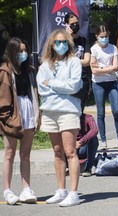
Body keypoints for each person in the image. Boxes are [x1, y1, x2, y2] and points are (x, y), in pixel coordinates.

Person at [36, 28, 83, 207]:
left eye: (64, 42)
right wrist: (59, 87)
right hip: (49, 111)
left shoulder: (74, 62)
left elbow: (73, 86)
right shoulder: (46, 63)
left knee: (70, 151)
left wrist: (53, 84)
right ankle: (61, 190)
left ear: (69, 43)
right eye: (57, 42)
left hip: (68, 110)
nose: (61, 45)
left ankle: (73, 193)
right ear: (51, 44)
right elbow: (42, 87)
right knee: (57, 151)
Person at [1, 35, 40, 205]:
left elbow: (35, 94)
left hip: (28, 111)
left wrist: (38, 115)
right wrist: (6, 119)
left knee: (25, 154)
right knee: (9, 153)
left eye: (25, 51)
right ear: (12, 52)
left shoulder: (30, 70)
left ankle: (26, 188)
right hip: (12, 114)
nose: (23, 54)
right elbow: (3, 99)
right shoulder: (5, 71)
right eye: (19, 51)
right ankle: (7, 190)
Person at [90, 25, 118, 151]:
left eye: (106, 37)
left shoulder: (113, 48)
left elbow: (116, 67)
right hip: (98, 83)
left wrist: (102, 69)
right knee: (100, 113)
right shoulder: (94, 49)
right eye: (101, 37)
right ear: (97, 37)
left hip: (112, 82)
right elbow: (94, 70)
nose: (104, 39)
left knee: (117, 111)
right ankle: (103, 140)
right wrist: (108, 69)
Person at [64, 12, 91, 106]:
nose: (75, 26)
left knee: (80, 111)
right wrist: (69, 38)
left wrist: (72, 61)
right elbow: (63, 59)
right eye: (72, 24)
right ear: (67, 25)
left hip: (82, 80)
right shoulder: (63, 41)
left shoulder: (84, 40)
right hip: (68, 80)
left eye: (77, 23)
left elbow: (87, 61)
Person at [75, 103, 99, 177]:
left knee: (94, 139)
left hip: (82, 148)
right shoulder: (66, 119)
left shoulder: (87, 117)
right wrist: (72, 142)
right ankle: (68, 167)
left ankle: (88, 168)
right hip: (70, 147)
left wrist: (81, 142)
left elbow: (95, 130)